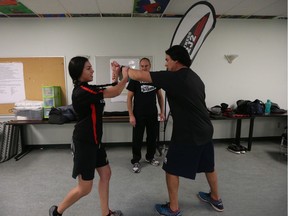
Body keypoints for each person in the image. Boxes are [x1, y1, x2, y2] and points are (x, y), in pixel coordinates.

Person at [123, 45, 224, 216]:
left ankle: (173, 209)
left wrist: (124, 69)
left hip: (188, 132)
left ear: (176, 61)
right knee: (209, 165)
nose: (165, 63)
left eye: (167, 60)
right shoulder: (195, 77)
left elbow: (136, 74)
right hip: (205, 129)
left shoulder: (174, 77)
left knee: (170, 169)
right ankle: (215, 198)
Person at [49, 56, 128, 216]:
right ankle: (57, 212)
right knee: (85, 188)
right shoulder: (82, 92)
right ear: (78, 72)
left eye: (91, 67)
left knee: (106, 174)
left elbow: (111, 87)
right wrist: (126, 76)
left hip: (95, 141)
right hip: (84, 143)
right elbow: (116, 91)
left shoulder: (88, 88)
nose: (92, 70)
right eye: (88, 68)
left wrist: (115, 74)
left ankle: (105, 213)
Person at [126, 57, 165, 173]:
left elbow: (160, 97)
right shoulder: (135, 79)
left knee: (152, 137)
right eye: (142, 66)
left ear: (150, 66)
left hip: (152, 114)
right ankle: (136, 160)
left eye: (146, 66)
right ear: (139, 67)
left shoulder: (154, 78)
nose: (144, 68)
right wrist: (131, 115)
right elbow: (129, 98)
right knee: (137, 138)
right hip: (138, 114)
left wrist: (162, 112)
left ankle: (150, 157)